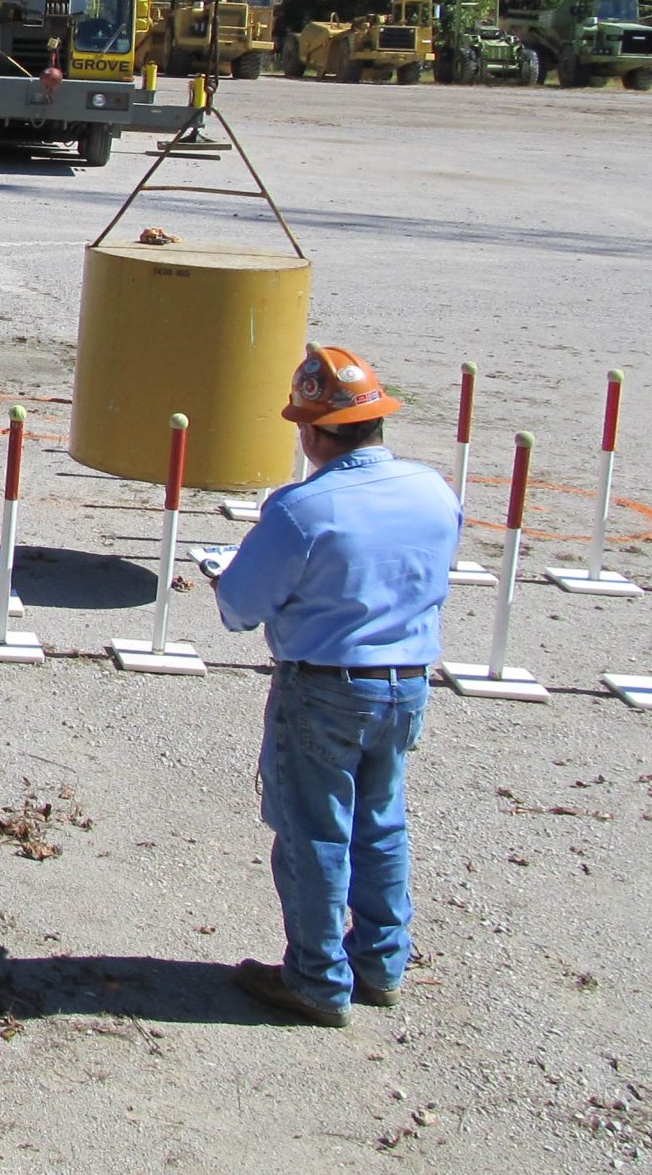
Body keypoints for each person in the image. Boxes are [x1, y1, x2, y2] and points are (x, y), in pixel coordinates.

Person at [209, 344, 458, 1026]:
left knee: (314, 833)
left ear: (312, 432)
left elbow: (239, 607)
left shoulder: (302, 509)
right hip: (406, 683)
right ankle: (380, 963)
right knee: (381, 826)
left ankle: (318, 977)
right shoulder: (435, 491)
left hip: (323, 686)